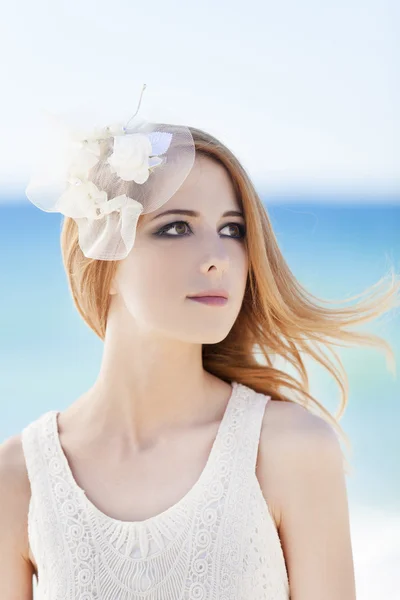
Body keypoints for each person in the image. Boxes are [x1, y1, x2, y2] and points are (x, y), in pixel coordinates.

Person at [1, 94, 398, 599]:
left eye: (232, 230)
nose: (218, 258)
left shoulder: (288, 448)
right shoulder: (19, 476)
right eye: (176, 227)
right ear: (104, 260)